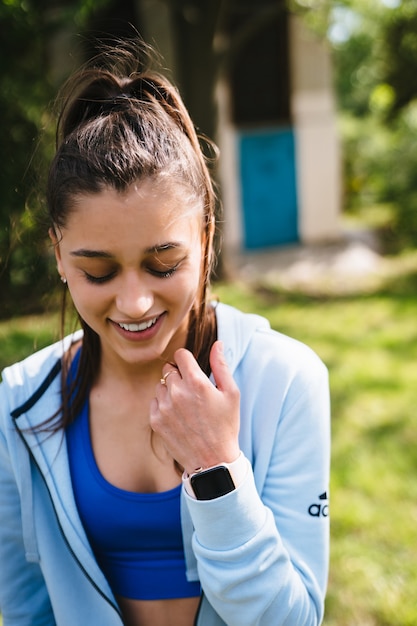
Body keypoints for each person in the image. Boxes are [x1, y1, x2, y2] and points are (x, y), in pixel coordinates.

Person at [0, 40, 330, 626]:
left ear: (206, 238)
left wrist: (215, 468)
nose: (134, 302)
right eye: (97, 271)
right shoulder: (18, 403)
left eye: (163, 264)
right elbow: (25, 609)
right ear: (57, 254)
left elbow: (294, 618)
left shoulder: (287, 381)